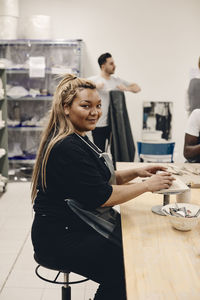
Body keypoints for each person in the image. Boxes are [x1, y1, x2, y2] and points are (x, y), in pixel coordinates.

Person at [31, 74, 174, 300]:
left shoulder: (79, 137)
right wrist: (147, 185)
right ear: (66, 108)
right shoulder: (67, 146)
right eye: (86, 106)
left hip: (75, 227)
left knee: (132, 255)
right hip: (59, 238)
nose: (95, 112)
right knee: (126, 268)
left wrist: (137, 172)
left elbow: (97, 179)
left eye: (98, 106)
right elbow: (102, 196)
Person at [89, 52, 141, 151]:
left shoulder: (116, 80)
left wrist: (126, 88)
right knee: (99, 152)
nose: (114, 66)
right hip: (99, 124)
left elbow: (137, 88)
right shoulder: (93, 80)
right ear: (103, 66)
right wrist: (94, 87)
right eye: (111, 63)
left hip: (115, 124)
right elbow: (76, 87)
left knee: (117, 153)